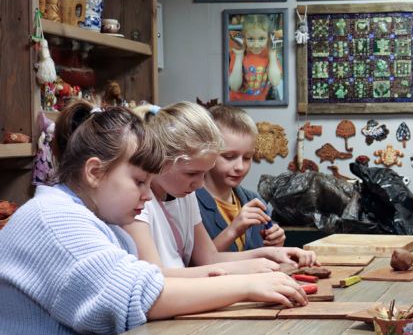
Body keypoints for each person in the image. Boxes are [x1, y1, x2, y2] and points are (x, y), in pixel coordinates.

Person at [0, 102, 306, 335]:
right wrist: (248, 285)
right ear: (94, 172)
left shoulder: (90, 218)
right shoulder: (54, 219)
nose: (147, 195)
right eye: (138, 182)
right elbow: (145, 295)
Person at [123, 102, 314, 276]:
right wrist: (248, 273)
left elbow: (209, 258)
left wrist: (271, 253)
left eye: (204, 173)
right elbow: (156, 277)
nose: (199, 184)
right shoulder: (136, 204)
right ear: (162, 160)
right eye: (191, 174)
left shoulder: (184, 196)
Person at [197, 106, 285, 252]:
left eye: (247, 157)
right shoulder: (189, 203)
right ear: (207, 151)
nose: (240, 166)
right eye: (229, 157)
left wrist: (276, 243)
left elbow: (264, 255)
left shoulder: (254, 201)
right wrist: (233, 230)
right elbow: (195, 263)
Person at [228, 14, 283, 103]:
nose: (256, 45)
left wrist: (272, 54)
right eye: (250, 39)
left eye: (261, 38)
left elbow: (275, 82)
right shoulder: (239, 51)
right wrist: (238, 57)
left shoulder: (270, 52)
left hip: (259, 104)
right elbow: (234, 86)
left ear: (268, 38)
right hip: (236, 103)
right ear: (244, 38)